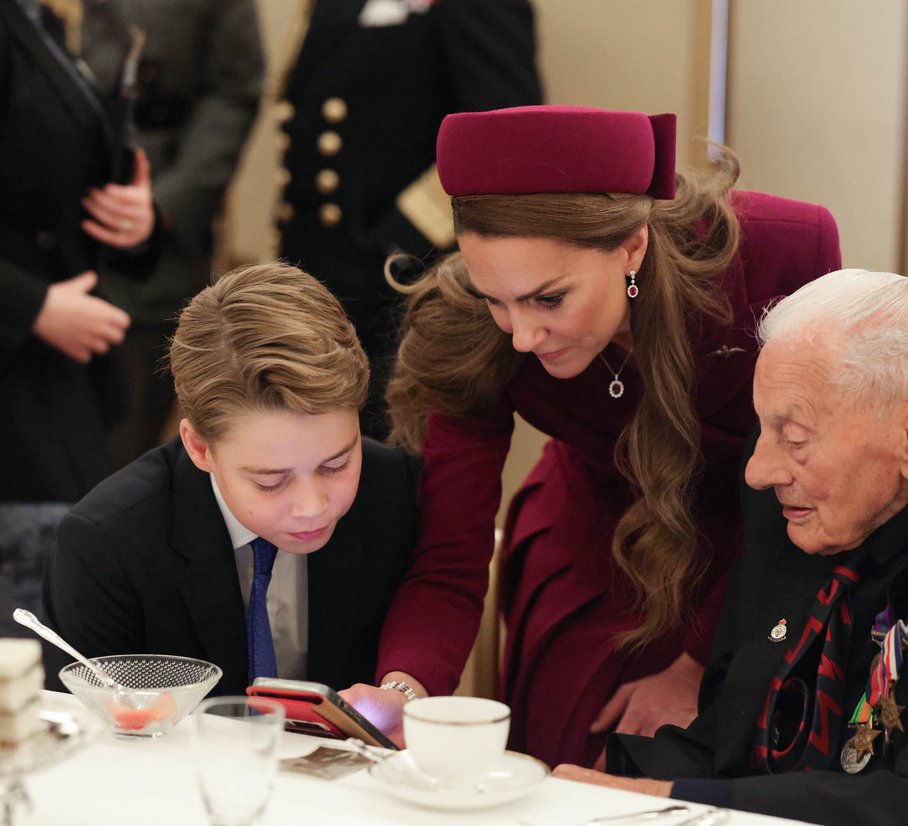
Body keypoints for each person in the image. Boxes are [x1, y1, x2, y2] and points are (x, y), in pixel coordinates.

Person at [340, 105, 842, 767]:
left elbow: (815, 480)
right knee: (578, 763)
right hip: (596, 550)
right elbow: (450, 557)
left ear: (630, 247)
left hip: (772, 544)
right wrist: (404, 688)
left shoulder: (785, 253)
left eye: (548, 299)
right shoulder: (473, 333)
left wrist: (696, 665)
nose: (521, 335)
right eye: (497, 298)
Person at [555, 269, 908, 826]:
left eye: (796, 436)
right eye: (764, 428)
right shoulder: (802, 497)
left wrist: (665, 801)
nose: (759, 471)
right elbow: (729, 739)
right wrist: (563, 792)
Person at [42, 263, 421, 701]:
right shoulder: (108, 544)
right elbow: (84, 741)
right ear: (200, 448)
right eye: (271, 482)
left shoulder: (393, 489)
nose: (313, 506)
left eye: (336, 465)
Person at [273, 0, 542, 439]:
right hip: (313, 272)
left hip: (404, 285)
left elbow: (503, 137)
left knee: (386, 459)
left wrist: (396, 244)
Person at [0, 0, 157, 635]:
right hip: (17, 388)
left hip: (52, 381)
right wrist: (32, 307)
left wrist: (137, 220)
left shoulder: (39, 18)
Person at [80, 0, 265, 466]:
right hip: (34, 252)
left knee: (117, 458)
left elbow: (234, 91)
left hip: (145, 248)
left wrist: (168, 204)